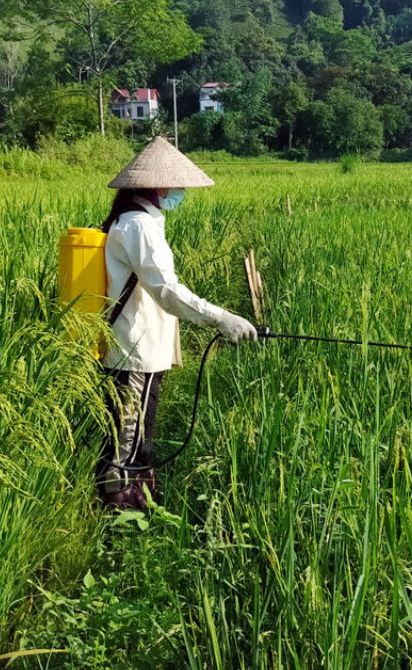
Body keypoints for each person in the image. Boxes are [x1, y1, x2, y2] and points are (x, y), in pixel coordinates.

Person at [96, 136, 257, 509]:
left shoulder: (142, 221)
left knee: (138, 436)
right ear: (156, 186)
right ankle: (118, 514)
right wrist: (221, 319)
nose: (179, 192)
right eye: (175, 185)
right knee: (127, 438)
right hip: (132, 352)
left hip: (144, 350)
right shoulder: (138, 226)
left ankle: (138, 502)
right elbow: (165, 290)